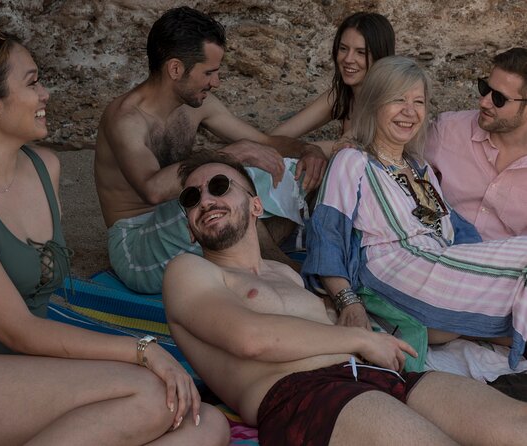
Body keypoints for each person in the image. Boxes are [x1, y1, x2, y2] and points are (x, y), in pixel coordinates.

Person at [0, 26, 229, 445]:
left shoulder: (46, 167)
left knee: (204, 423)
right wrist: (144, 349)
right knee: (155, 396)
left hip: (21, 375)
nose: (46, 93)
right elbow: (19, 330)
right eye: (32, 83)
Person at [163, 148, 527, 446]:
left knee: (517, 425)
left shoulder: (286, 274)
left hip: (377, 376)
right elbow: (251, 339)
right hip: (304, 396)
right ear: (190, 229)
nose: (206, 200)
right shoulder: (188, 271)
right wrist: (361, 338)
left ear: (257, 206)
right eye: (192, 198)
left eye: (220, 186)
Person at [301, 55, 527, 370]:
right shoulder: (354, 161)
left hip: (440, 272)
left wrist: (487, 262)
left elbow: (457, 231)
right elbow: (327, 234)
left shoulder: (421, 169)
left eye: (418, 102)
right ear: (374, 104)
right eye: (398, 100)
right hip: (395, 271)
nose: (410, 111)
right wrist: (347, 301)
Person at [95, 6, 327, 294]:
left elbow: (263, 143)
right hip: (139, 247)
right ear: (176, 69)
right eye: (209, 72)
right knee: (216, 189)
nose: (216, 82)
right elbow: (152, 189)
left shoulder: (198, 105)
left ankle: (262, 255)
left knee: (292, 169)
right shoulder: (126, 119)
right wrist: (233, 154)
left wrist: (308, 150)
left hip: (188, 227)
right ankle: (284, 271)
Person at [425, 47, 527, 240]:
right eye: (485, 89)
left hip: (507, 266)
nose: (484, 102)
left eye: (499, 98)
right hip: (443, 255)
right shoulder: (448, 130)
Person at [271, 12, 395, 154]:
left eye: (361, 52)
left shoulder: (389, 103)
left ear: (380, 57)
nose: (348, 59)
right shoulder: (342, 95)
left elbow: (345, 148)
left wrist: (302, 149)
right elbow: (276, 137)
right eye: (343, 49)